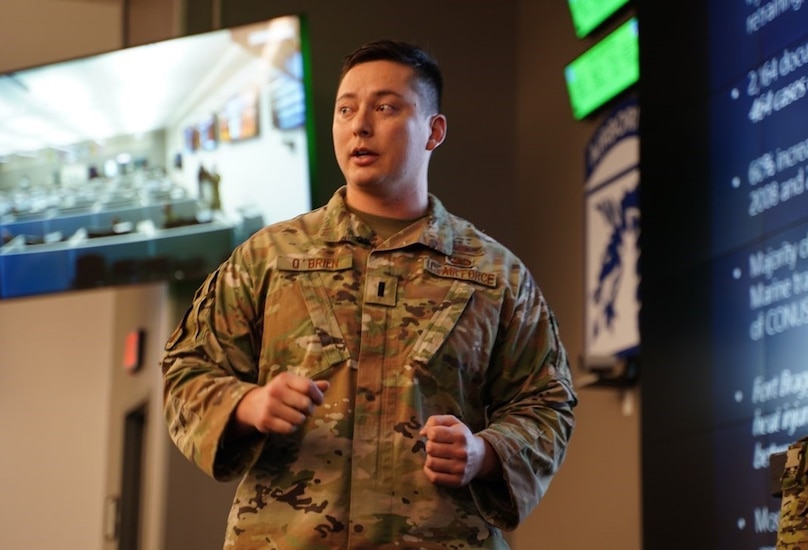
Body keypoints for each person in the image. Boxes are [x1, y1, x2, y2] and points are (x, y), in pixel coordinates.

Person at [161, 39, 578, 549]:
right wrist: (248, 403)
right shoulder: (269, 256)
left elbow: (548, 401)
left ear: (434, 131)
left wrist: (483, 452)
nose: (360, 125)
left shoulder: (494, 273)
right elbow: (186, 366)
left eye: (385, 107)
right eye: (345, 109)